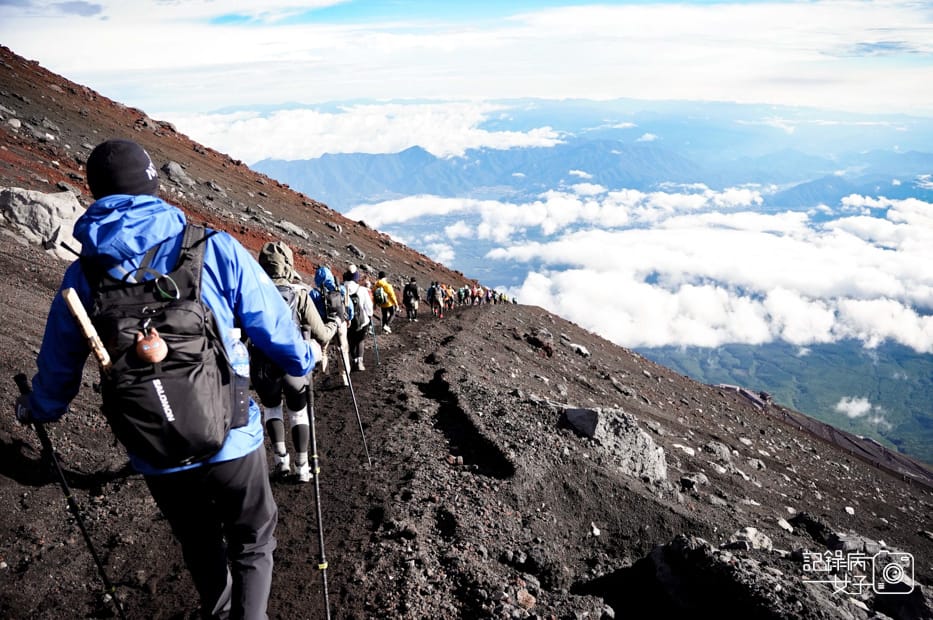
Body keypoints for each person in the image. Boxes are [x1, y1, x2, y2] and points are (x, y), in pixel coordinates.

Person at [13, 139, 319, 620]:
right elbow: (274, 328)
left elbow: (58, 370)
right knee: (253, 538)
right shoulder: (211, 247)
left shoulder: (84, 276)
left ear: (96, 193)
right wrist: (304, 359)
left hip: (156, 449)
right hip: (232, 434)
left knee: (199, 543)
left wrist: (37, 409)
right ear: (154, 185)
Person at [252, 241, 337, 483]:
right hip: (292, 363)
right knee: (298, 412)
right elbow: (322, 334)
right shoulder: (299, 294)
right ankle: (302, 467)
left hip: (262, 366)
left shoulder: (253, 293)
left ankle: (281, 462)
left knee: (272, 409)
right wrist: (334, 323)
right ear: (288, 264)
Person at [309, 265, 352, 386]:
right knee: (342, 348)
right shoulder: (340, 289)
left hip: (325, 324)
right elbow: (349, 306)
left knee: (323, 350)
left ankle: (325, 376)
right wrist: (349, 318)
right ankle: (345, 377)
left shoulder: (315, 293)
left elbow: (311, 309)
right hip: (340, 321)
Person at [342, 265, 373, 371]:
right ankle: (360, 362)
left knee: (351, 341)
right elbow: (369, 307)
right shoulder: (362, 290)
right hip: (362, 321)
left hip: (347, 321)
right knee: (360, 340)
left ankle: (354, 360)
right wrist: (370, 315)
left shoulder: (341, 288)